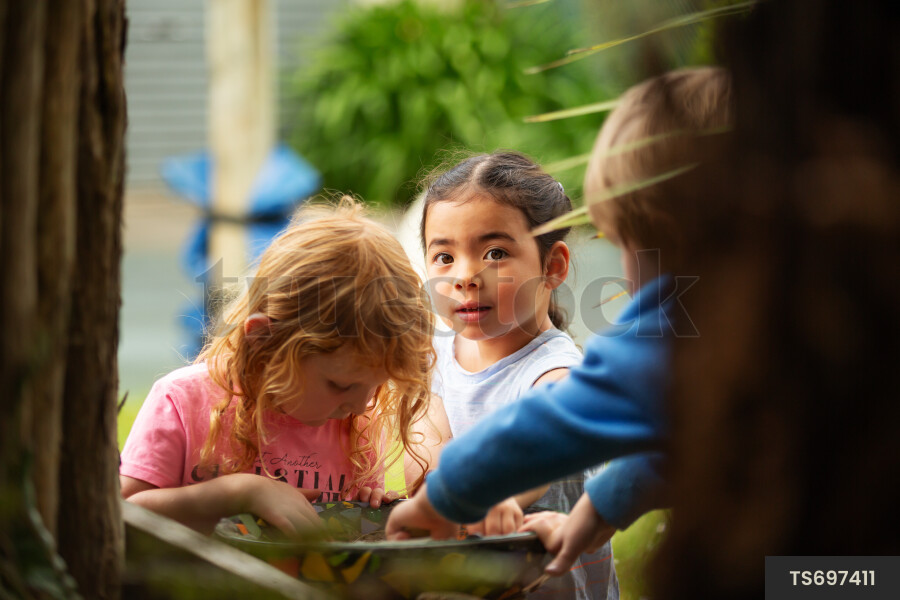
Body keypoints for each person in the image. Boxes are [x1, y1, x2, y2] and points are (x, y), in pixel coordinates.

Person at [386, 67, 733, 576]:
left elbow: (553, 428)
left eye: (627, 243)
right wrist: (605, 505)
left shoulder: (644, 343)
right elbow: (673, 447)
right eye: (443, 257)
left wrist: (447, 496)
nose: (464, 276)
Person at [120, 200, 448, 538]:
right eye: (340, 385)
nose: (362, 404)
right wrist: (239, 493)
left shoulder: (355, 424)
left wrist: (364, 510)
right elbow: (124, 513)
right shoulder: (182, 401)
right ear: (264, 340)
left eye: (374, 386)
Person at [420, 151, 618, 599]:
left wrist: (495, 493)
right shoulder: (434, 357)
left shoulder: (558, 372)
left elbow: (539, 449)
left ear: (553, 265)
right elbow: (432, 447)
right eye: (444, 256)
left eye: (494, 253)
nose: (466, 276)